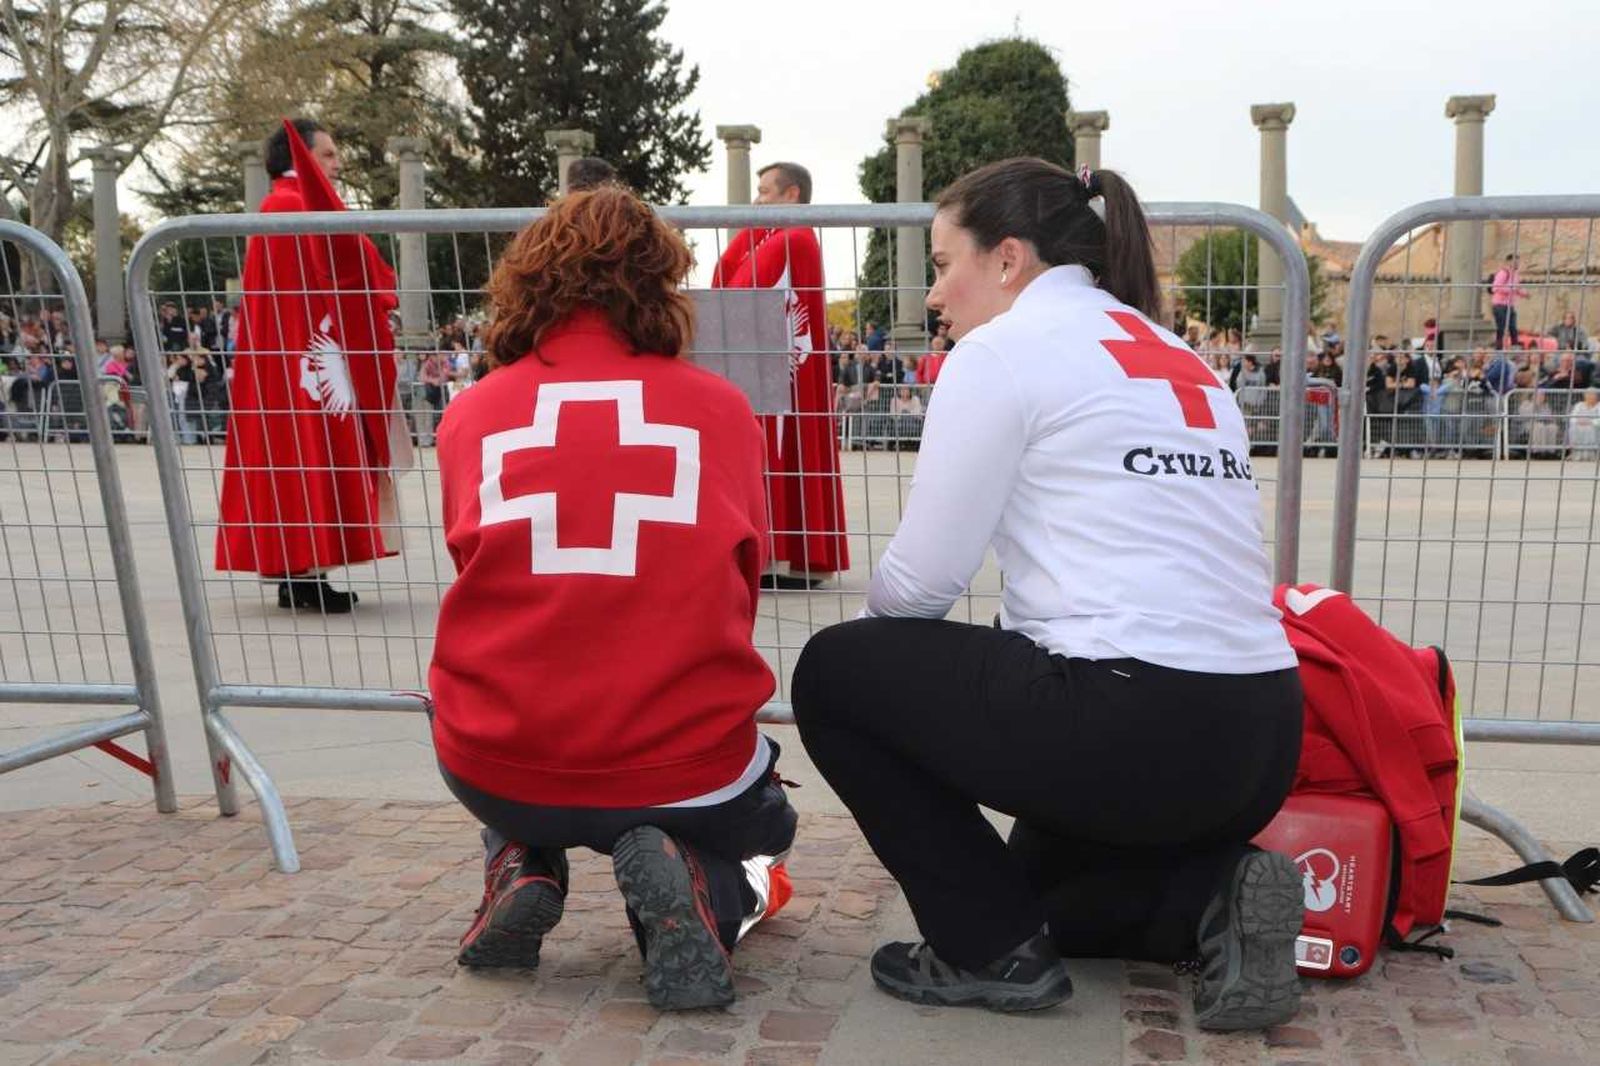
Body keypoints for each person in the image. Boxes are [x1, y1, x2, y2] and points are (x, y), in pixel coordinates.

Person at [791, 158, 1303, 1027]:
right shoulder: (1174, 352)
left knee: (836, 674)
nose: (932, 296)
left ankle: (987, 955)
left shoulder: (1001, 353)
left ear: (1008, 260)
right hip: (1260, 732)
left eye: (945, 261)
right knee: (1034, 894)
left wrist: (907, 693)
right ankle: (1217, 893)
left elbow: (919, 585)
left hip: (1128, 718)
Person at [428, 186, 798, 1011]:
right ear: (662, 287)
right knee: (769, 828)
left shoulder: (471, 415)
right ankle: (698, 888)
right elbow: (743, 584)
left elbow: (472, 562)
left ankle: (520, 860)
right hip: (681, 761)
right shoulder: (722, 412)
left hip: (499, 758)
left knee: (506, 704)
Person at [214, 118, 407, 613]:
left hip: (295, 359)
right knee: (312, 454)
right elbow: (358, 268)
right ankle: (305, 574)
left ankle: (298, 572)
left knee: (297, 457)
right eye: (327, 154)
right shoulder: (299, 207)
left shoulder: (279, 206)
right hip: (313, 357)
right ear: (300, 157)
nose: (337, 162)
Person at [712, 161, 850, 589]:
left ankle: (787, 555)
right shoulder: (773, 237)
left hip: (780, 373)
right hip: (768, 369)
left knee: (781, 451)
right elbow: (725, 272)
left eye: (766, 192)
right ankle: (782, 554)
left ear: (792, 195)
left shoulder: (795, 239)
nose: (757, 200)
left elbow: (736, 287)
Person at [1491, 254, 1529, 350]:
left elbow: (1517, 289)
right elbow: (1495, 288)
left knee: (1513, 328)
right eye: (1515, 261)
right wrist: (1511, 289)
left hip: (1509, 305)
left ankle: (1514, 348)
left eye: (1518, 262)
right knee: (1502, 328)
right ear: (1508, 262)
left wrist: (1524, 294)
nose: (1517, 264)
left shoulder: (1515, 275)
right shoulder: (1503, 273)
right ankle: (1499, 348)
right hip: (1499, 305)